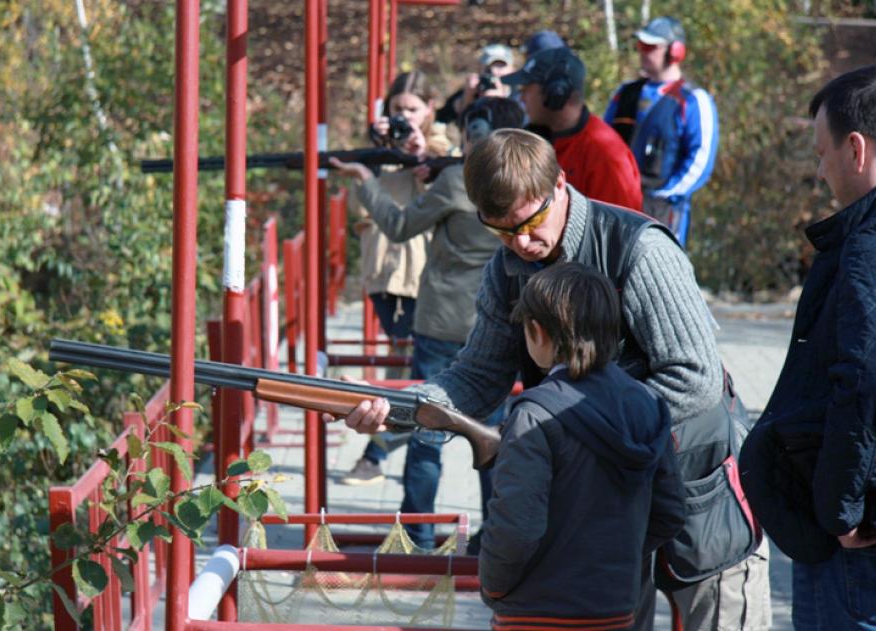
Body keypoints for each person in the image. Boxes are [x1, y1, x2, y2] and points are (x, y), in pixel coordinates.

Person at [330, 129, 770, 630]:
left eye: (529, 222)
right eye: (499, 230)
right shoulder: (508, 267)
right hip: (610, 510)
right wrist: (400, 410)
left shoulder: (641, 249)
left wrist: (575, 430)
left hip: (697, 486)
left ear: (560, 184)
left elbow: (696, 379)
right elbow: (479, 374)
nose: (519, 243)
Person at [334, 97, 526, 546]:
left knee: (425, 432)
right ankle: (495, 536)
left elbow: (399, 226)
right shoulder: (520, 181)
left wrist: (366, 182)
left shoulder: (459, 180)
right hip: (499, 324)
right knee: (496, 438)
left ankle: (418, 535)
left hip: (441, 323)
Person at [739, 65, 876, 630]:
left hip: (853, 545)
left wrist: (841, 508)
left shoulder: (866, 249)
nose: (820, 173)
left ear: (857, 148)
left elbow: (864, 376)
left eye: (822, 155)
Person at [480, 261, 685, 631]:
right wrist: (616, 559)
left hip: (535, 611)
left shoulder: (532, 415)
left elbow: (515, 527)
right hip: (616, 606)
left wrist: (493, 586)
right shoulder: (649, 404)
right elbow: (669, 511)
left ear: (536, 331)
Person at [352, 69, 451, 419]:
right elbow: (358, 208)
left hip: (422, 273)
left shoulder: (443, 148)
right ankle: (390, 435)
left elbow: (446, 201)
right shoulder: (382, 149)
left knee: (413, 364)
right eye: (398, 109)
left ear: (430, 109)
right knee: (401, 356)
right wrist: (375, 152)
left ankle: (383, 444)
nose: (404, 117)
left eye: (412, 109)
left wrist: (422, 156)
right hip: (382, 271)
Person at [603, 16, 719, 247]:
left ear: (675, 52)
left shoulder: (693, 100)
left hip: (664, 211)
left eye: (650, 47)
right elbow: (602, 142)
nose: (643, 52)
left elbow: (700, 160)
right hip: (617, 204)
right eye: (640, 46)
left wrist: (665, 194)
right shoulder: (625, 93)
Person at [501, 46, 643, 211]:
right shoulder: (539, 137)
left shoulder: (605, 155)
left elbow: (619, 231)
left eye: (527, 89)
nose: (522, 97)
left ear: (556, 93)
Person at [435, 43, 516, 127]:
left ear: (513, 69)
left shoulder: (520, 96)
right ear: (480, 70)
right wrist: (467, 100)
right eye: (488, 68)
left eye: (500, 66)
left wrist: (502, 104)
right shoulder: (472, 92)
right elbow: (440, 122)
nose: (494, 72)